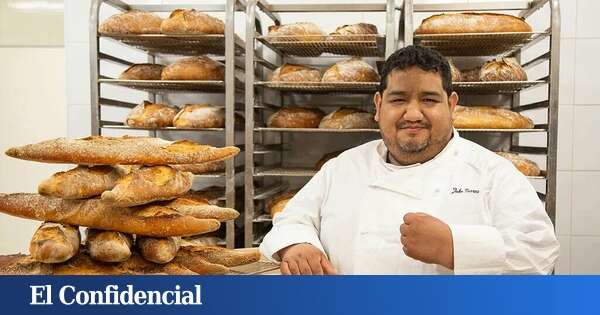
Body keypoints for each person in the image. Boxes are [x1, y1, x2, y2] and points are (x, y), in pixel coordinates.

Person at [259, 45, 559, 275]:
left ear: (451, 105)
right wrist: (297, 244)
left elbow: (540, 251)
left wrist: (454, 246)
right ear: (378, 106)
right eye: (398, 99)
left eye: (429, 100)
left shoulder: (492, 173)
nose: (413, 114)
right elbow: (293, 218)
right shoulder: (342, 167)